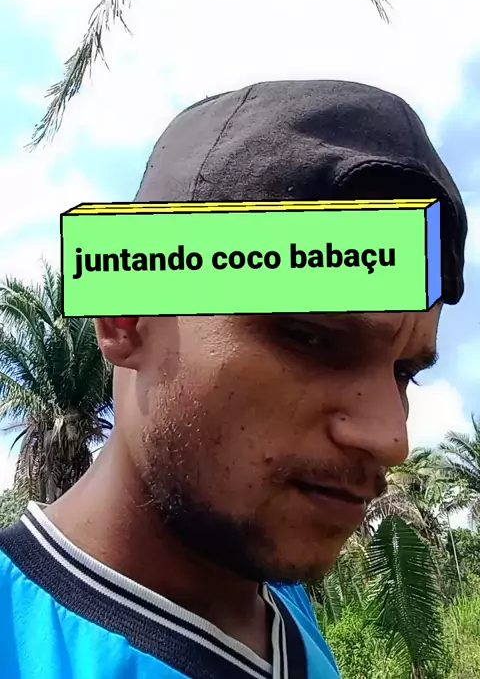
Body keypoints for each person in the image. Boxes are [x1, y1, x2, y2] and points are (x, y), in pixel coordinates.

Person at [0, 81, 467, 679]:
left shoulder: (279, 603)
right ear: (127, 315)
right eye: (311, 336)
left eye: (404, 373)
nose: (391, 439)